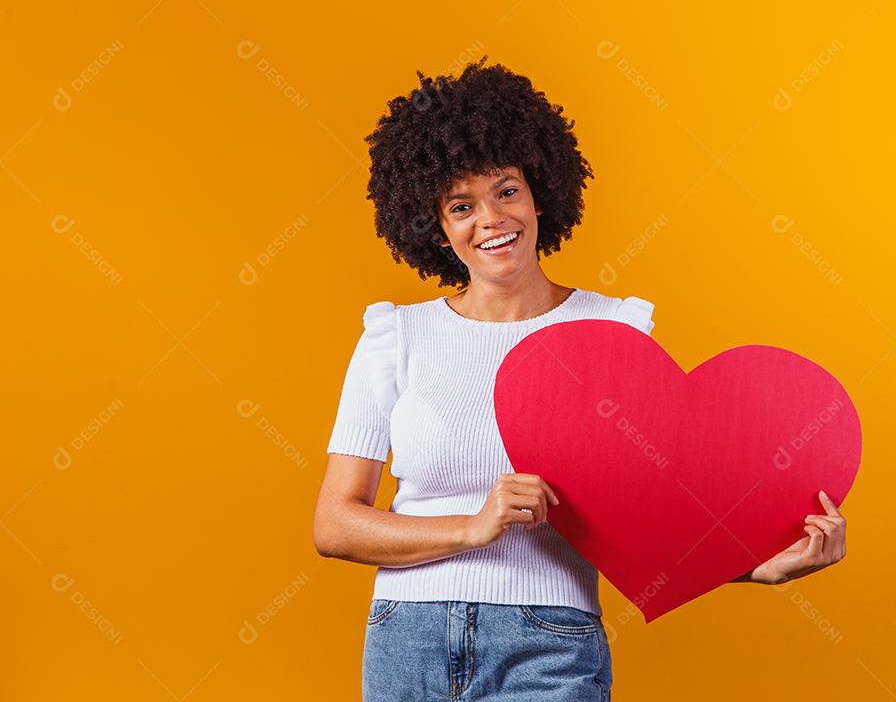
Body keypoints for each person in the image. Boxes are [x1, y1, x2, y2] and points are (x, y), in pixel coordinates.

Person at [312, 57, 847, 701]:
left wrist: (757, 565)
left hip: (550, 641)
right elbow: (335, 525)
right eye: (461, 205)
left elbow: (650, 520)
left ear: (540, 192)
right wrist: (471, 527)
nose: (491, 219)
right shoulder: (395, 337)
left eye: (507, 191)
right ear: (436, 227)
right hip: (407, 640)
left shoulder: (614, 332)